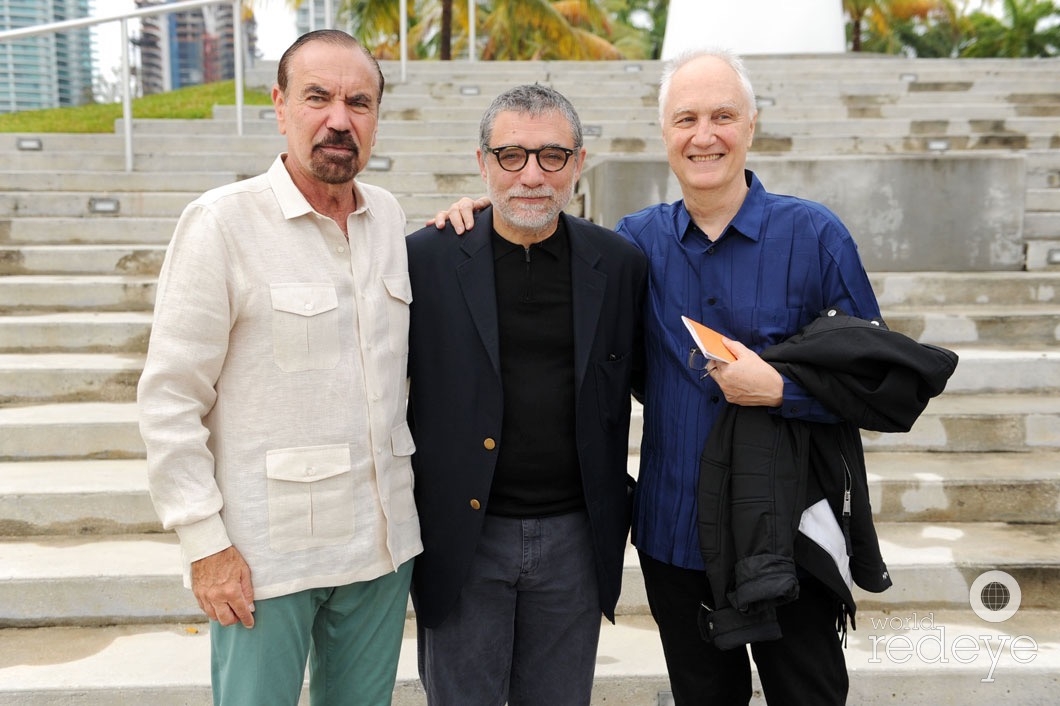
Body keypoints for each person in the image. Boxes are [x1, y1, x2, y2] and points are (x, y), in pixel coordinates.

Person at [433, 49, 892, 705]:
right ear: (666, 133)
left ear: (752, 125)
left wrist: (783, 391)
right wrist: (488, 214)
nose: (704, 135)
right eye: (686, 119)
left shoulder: (815, 235)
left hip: (791, 528)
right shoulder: (632, 246)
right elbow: (546, 250)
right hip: (676, 536)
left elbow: (879, 381)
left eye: (722, 116)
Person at [137, 30, 421, 706]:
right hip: (264, 559)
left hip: (380, 551)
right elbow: (170, 399)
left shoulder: (389, 219)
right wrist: (205, 544)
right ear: (280, 106)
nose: (339, 119)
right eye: (317, 97)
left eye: (359, 102)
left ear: (376, 116)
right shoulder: (222, 224)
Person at [405, 84, 647, 706]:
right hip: (463, 539)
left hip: (575, 540)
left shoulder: (619, 264)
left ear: (579, 162)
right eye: (511, 156)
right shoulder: (424, 259)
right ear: (482, 162)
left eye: (551, 156)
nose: (531, 175)